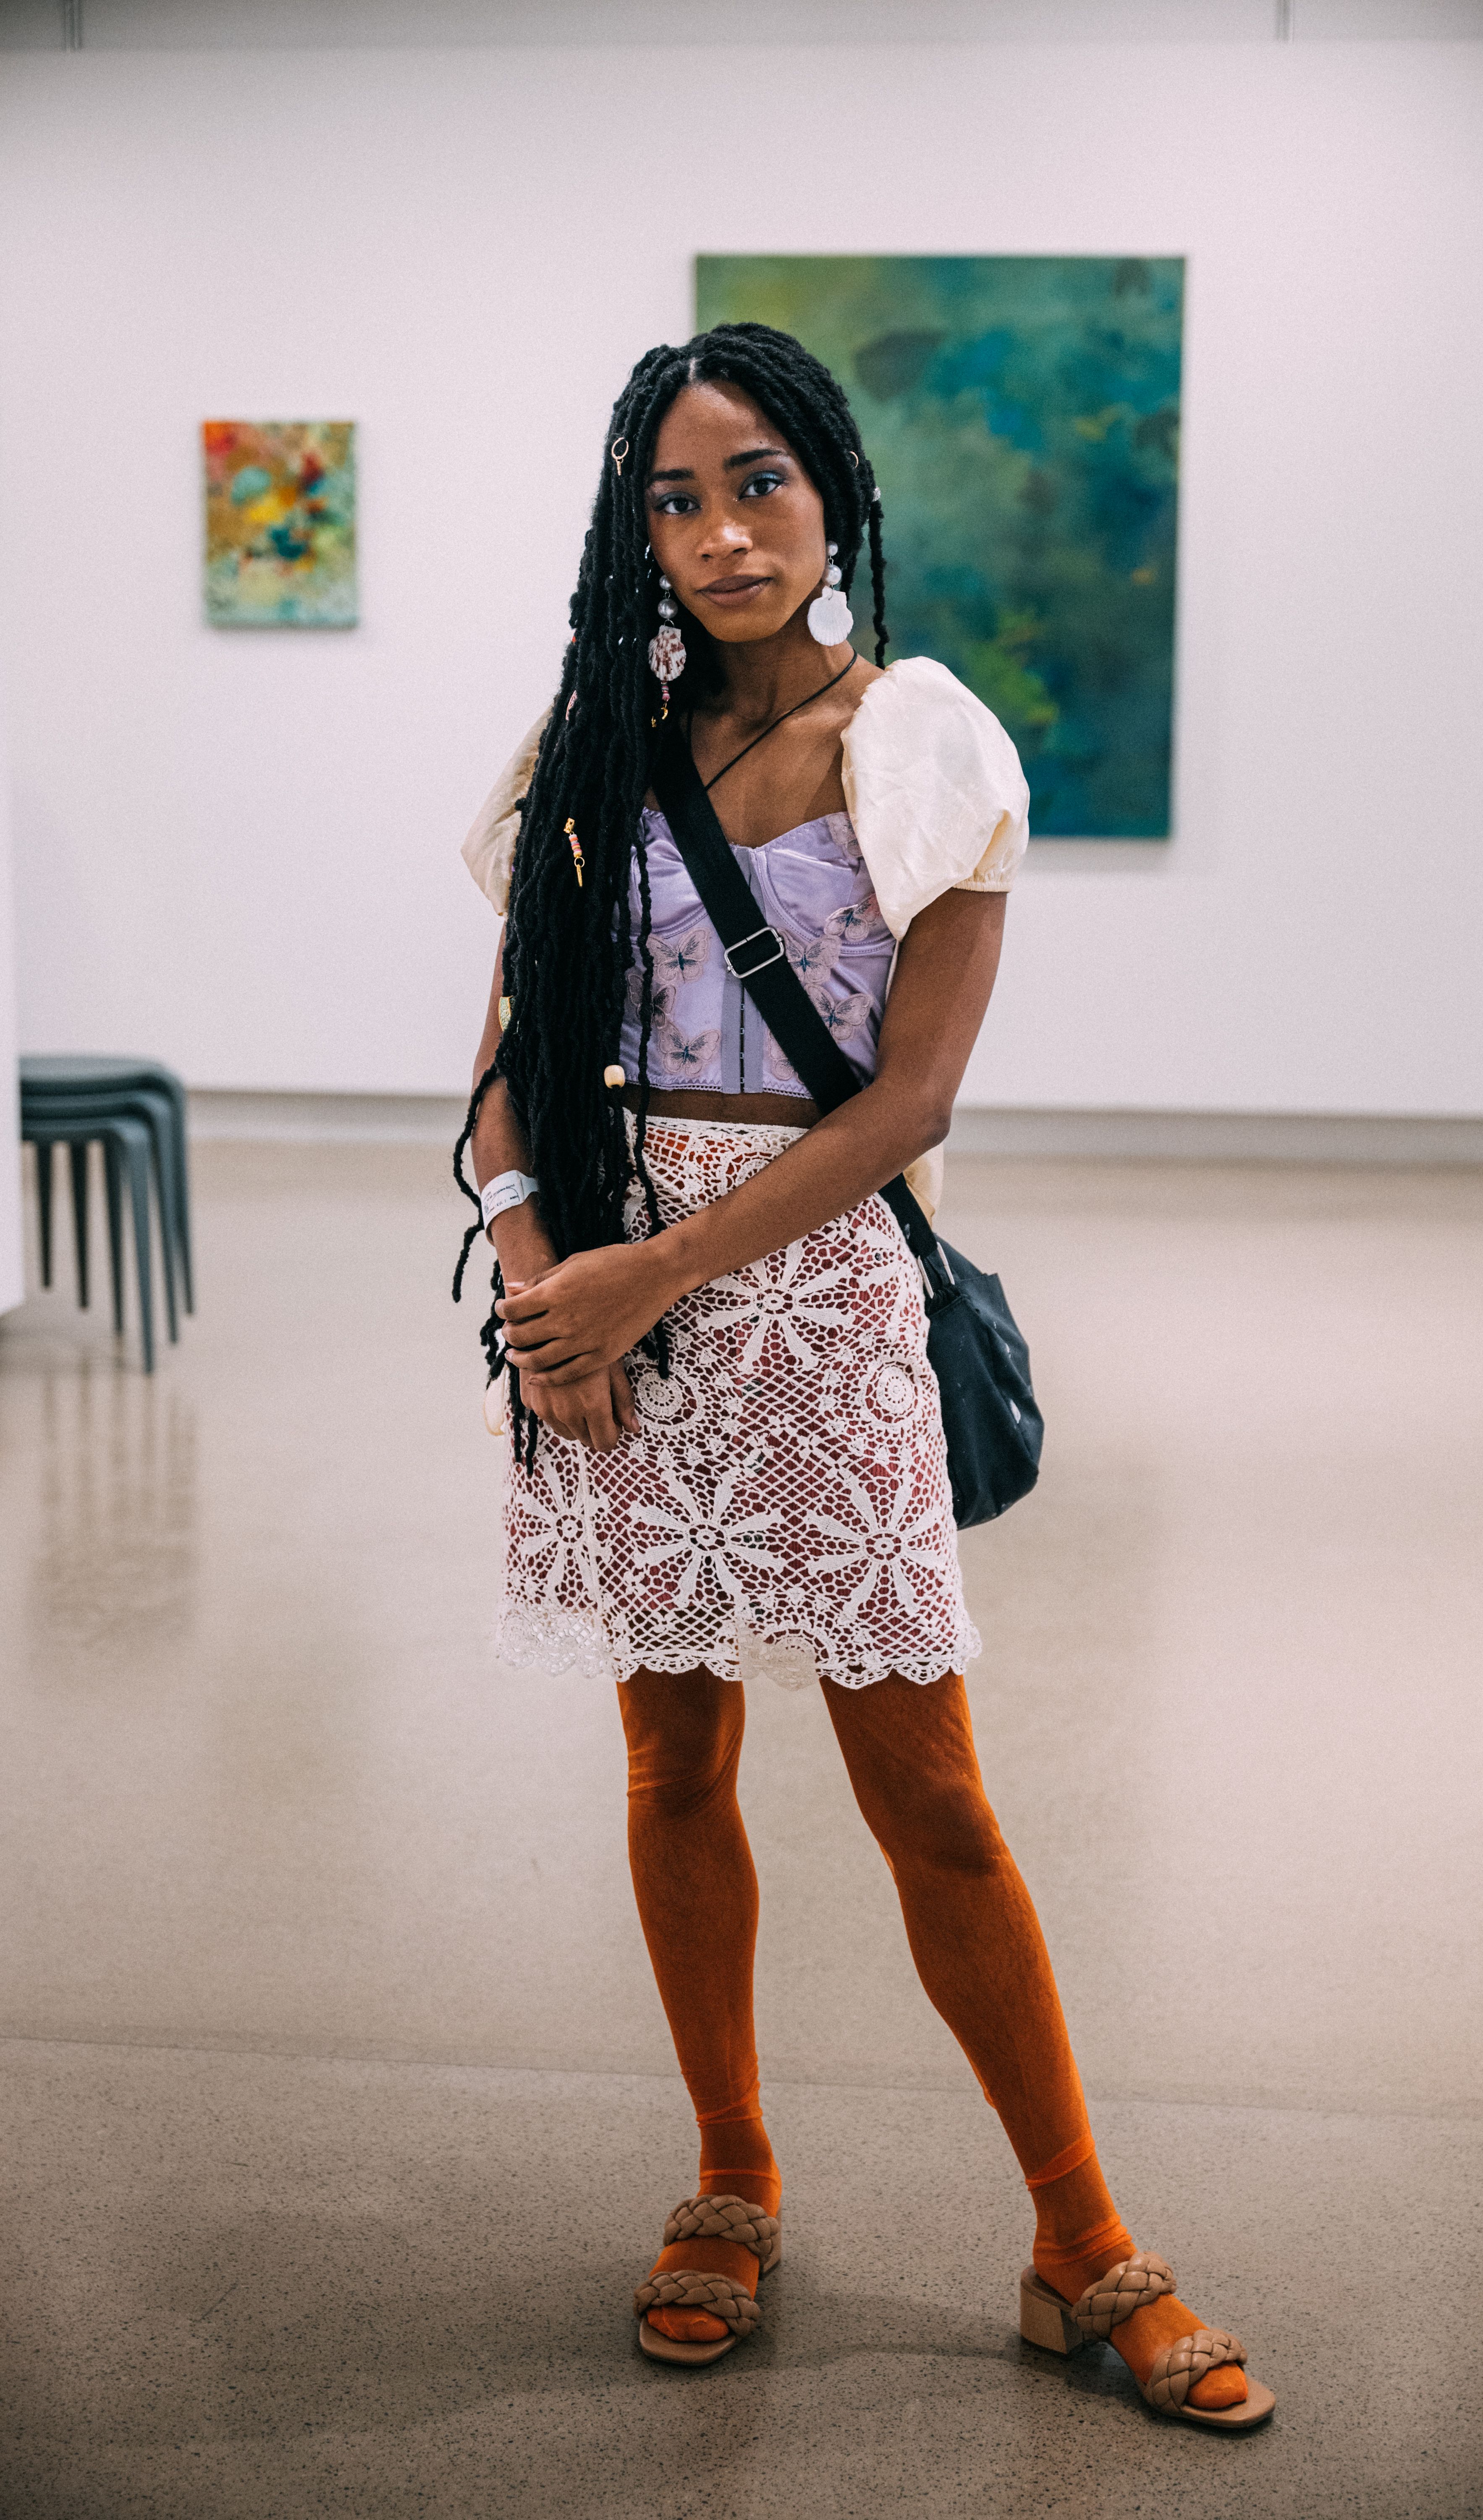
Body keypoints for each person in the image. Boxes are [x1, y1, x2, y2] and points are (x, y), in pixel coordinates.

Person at [455, 324, 1271, 2430]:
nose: (718, 535)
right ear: (630, 530)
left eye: (756, 486)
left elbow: (906, 1105)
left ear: (836, 496)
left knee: (932, 1801)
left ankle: (1081, 2242)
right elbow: (495, 1085)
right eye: (671, 498)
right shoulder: (593, 747)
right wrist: (550, 1288)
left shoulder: (917, 740)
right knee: (670, 1767)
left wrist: (651, 1276)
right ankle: (727, 2181)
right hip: (606, 1322)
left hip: (807, 1310)